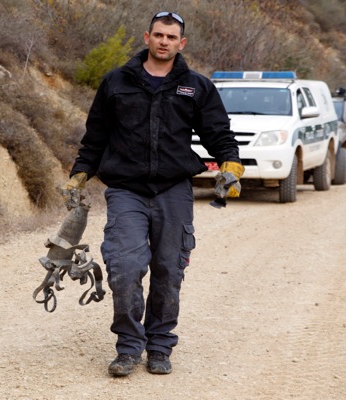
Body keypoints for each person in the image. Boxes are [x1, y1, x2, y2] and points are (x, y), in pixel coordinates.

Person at [62, 11, 243, 377]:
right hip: (126, 190)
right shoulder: (116, 82)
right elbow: (96, 136)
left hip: (174, 190)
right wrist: (80, 173)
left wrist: (230, 165)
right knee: (125, 268)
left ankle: (159, 346)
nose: (164, 41)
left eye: (171, 37)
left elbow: (218, 133)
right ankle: (129, 347)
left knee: (168, 270)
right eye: (158, 35)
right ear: (146, 37)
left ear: (181, 43)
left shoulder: (196, 86)